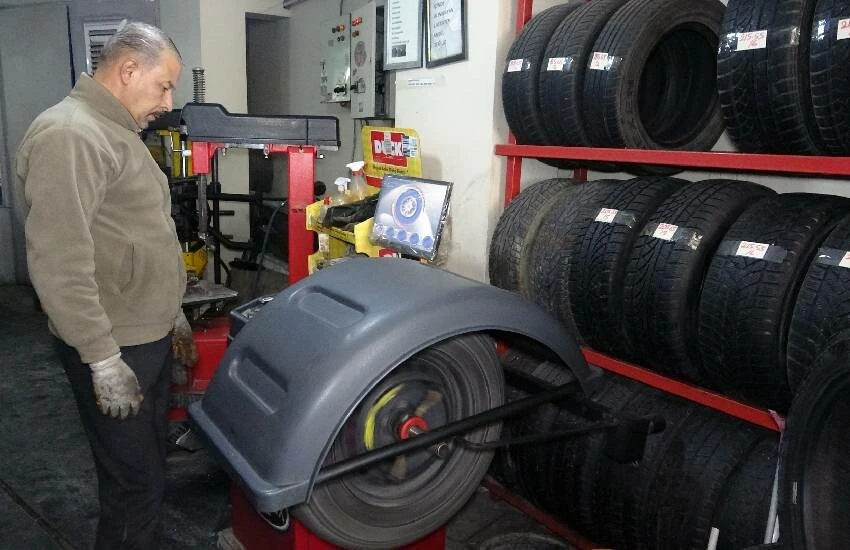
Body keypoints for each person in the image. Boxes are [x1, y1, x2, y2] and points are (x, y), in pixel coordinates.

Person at [14, 21, 197, 549]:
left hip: (144, 333)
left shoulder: (115, 130)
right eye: (163, 85)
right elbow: (59, 260)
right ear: (128, 69)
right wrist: (101, 358)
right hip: (117, 344)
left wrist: (172, 312)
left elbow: (136, 231)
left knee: (147, 471)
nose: (168, 100)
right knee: (132, 486)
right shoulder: (71, 134)